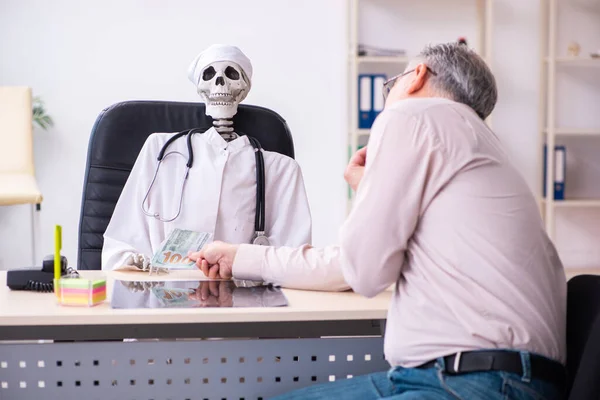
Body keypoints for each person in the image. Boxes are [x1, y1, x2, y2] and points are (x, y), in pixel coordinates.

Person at [189, 42, 567, 399]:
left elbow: (364, 271)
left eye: (392, 85)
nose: (389, 100)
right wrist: (239, 257)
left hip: (473, 381)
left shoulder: (414, 115)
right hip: (495, 377)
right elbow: (349, 265)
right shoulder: (481, 144)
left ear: (417, 75)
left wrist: (369, 192)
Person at [102, 44, 311, 271]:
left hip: (242, 297)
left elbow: (294, 262)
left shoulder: (281, 169)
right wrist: (135, 264)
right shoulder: (160, 150)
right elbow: (121, 244)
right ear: (200, 87)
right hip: (163, 294)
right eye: (209, 75)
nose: (219, 83)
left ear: (244, 87)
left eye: (231, 75)